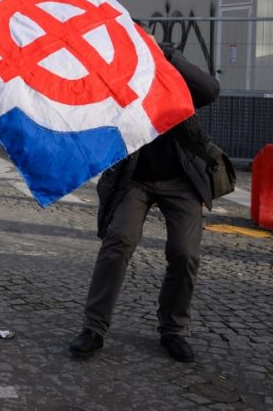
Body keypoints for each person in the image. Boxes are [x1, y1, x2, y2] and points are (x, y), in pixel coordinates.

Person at [69, 43, 221, 363]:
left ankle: (173, 330)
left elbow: (210, 90)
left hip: (181, 178)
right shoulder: (116, 77)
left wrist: (169, 55)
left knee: (185, 252)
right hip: (133, 178)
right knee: (119, 240)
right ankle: (93, 328)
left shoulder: (170, 71)